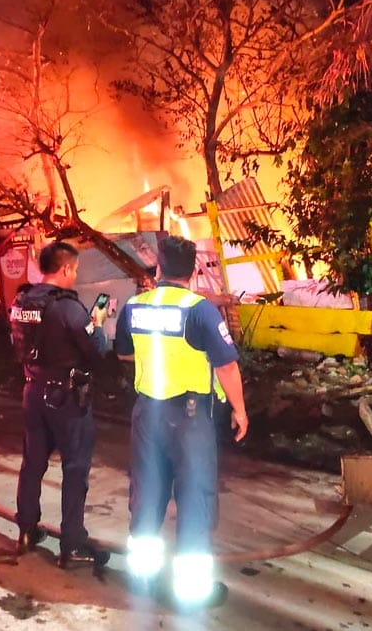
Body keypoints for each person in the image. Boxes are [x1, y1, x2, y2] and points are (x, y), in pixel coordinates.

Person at [114, 235, 249, 607]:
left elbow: (125, 354)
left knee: (146, 494)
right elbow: (226, 365)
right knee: (195, 497)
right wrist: (239, 410)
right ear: (192, 272)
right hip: (188, 418)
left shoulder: (135, 307)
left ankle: (141, 577)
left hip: (146, 414)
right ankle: (190, 592)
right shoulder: (199, 310)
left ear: (158, 268)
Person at [9, 241, 109, 568]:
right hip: (65, 398)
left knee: (33, 463)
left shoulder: (22, 300)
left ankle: (26, 531)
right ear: (65, 269)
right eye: (76, 270)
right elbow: (95, 351)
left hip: (32, 391)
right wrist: (99, 324)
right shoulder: (68, 307)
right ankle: (72, 546)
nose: (75, 276)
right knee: (75, 468)